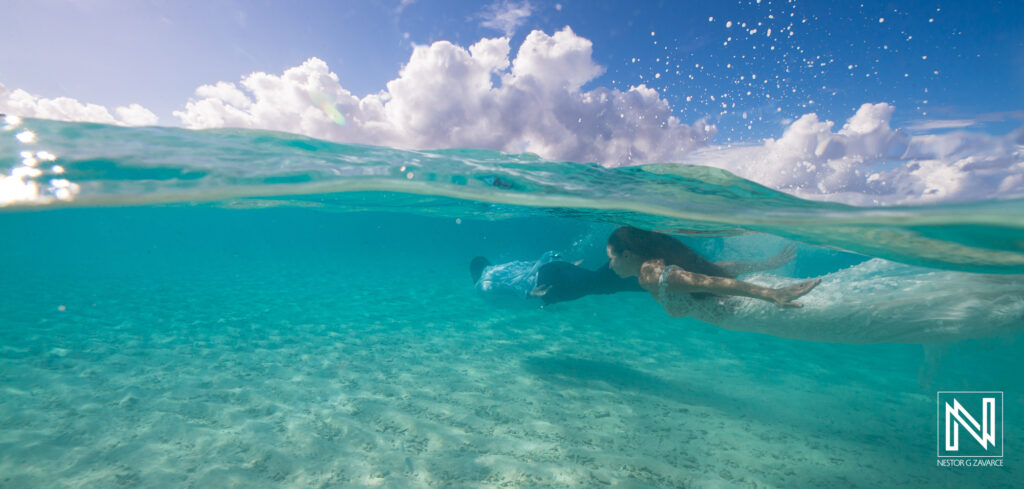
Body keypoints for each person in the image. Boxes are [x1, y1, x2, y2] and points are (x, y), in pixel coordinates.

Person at [606, 226, 1024, 344]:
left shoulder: (651, 274)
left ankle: (1000, 297)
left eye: (610, 257)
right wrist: (764, 266)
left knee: (869, 316)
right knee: (869, 303)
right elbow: (715, 269)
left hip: (760, 305)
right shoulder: (658, 265)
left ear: (628, 255)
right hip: (760, 296)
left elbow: (707, 279)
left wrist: (770, 292)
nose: (608, 265)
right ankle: (995, 290)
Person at [471, 252, 643, 306]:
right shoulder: (497, 268)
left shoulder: (481, 283)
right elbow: (528, 265)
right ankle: (646, 274)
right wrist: (566, 264)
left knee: (602, 283)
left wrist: (529, 294)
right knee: (601, 283)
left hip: (547, 284)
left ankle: (639, 260)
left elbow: (493, 288)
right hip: (551, 268)